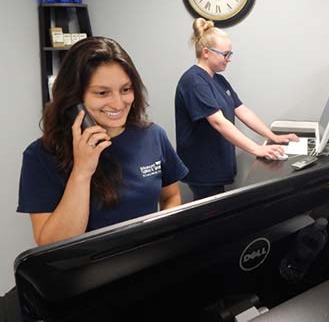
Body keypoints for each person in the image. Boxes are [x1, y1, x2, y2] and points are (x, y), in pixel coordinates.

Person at [18, 36, 188, 246]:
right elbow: (52, 244)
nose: (118, 103)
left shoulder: (153, 136)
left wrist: (160, 235)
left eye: (126, 89)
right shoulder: (41, 155)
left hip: (148, 263)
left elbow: (171, 197)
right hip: (87, 275)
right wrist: (82, 171)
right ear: (75, 99)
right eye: (102, 93)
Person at [175, 18, 299, 200]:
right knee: (209, 220)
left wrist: (272, 137)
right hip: (203, 167)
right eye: (225, 54)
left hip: (216, 163)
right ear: (206, 52)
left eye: (230, 54)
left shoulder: (217, 79)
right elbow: (218, 122)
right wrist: (257, 149)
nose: (229, 59)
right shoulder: (194, 81)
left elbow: (242, 111)